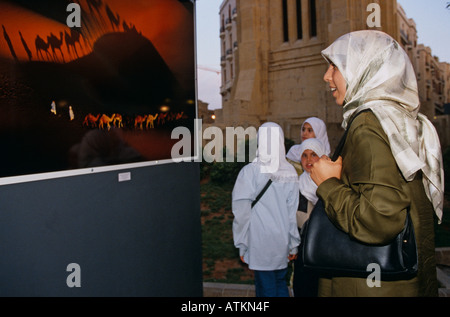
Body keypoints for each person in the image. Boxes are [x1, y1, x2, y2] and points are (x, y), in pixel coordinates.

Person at [310, 30, 444, 297]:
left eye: (335, 66)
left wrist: (329, 184)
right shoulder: (401, 121)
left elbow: (380, 219)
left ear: (364, 68)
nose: (327, 76)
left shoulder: (368, 124)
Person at [232, 122, 300, 297]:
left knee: (265, 287)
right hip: (281, 241)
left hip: (259, 241)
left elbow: (241, 214)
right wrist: (293, 244)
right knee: (279, 283)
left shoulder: (249, 172)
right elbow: (292, 214)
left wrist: (242, 243)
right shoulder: (290, 172)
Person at [292, 138, 327, 297]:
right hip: (303, 252)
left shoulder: (331, 184)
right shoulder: (297, 184)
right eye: (304, 155)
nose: (308, 160)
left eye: (314, 154)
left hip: (326, 251)